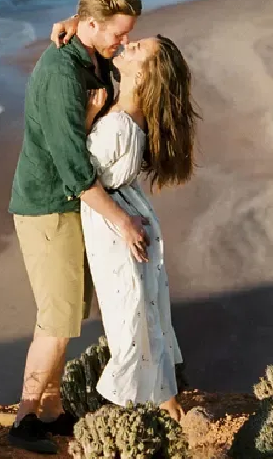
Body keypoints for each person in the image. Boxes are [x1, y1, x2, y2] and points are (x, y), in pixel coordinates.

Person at [6, 0, 147, 454]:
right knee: (57, 315)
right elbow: (74, 171)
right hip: (49, 205)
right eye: (118, 35)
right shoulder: (62, 74)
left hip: (66, 205)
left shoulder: (85, 51)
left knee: (69, 310)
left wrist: (77, 21)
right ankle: (24, 419)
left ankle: (50, 411)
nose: (123, 44)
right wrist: (123, 220)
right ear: (92, 26)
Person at [80, 34, 197, 421]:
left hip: (114, 226)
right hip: (127, 216)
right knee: (141, 310)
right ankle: (165, 402)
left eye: (137, 50)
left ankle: (140, 409)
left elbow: (79, 173)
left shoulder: (118, 126)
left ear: (144, 76)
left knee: (128, 315)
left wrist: (83, 120)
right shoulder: (128, 116)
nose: (127, 45)